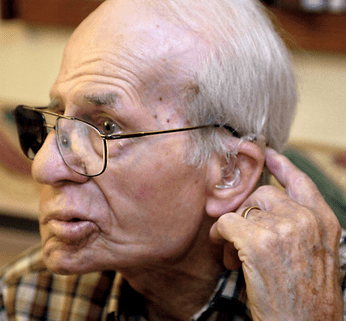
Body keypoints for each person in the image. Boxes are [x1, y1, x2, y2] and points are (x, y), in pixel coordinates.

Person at [0, 0, 343, 320]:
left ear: (230, 172)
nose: (44, 167)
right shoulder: (27, 298)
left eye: (107, 127)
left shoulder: (327, 303)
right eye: (59, 117)